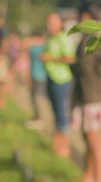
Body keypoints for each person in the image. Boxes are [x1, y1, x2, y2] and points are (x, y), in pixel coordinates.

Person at [71, 2, 101, 182]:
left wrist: (72, 65)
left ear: (86, 16)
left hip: (89, 95)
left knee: (93, 141)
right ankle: (88, 175)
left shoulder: (89, 39)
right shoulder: (95, 37)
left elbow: (84, 67)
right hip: (91, 94)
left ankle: (99, 178)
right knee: (88, 139)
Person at [40, 13, 75, 158]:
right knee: (55, 112)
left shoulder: (63, 38)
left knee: (61, 112)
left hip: (61, 80)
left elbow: (70, 58)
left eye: (52, 23)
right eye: (48, 23)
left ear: (60, 23)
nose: (49, 26)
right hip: (51, 77)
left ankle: (64, 147)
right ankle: (56, 143)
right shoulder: (51, 38)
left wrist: (51, 58)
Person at [23, 30, 47, 130]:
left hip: (41, 76)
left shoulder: (45, 47)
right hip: (34, 75)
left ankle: (40, 119)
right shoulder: (34, 48)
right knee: (33, 97)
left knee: (37, 98)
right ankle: (37, 117)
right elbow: (23, 44)